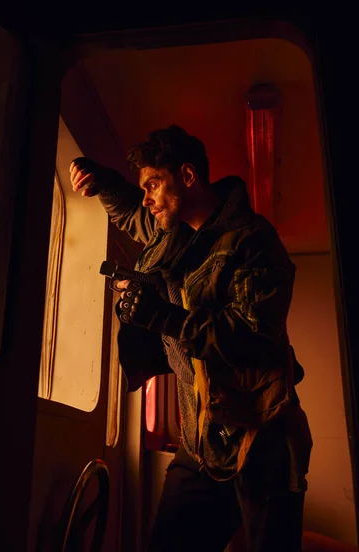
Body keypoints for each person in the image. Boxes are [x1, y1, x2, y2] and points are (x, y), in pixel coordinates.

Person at [69, 125, 312, 552]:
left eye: (154, 184)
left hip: (265, 444)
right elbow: (131, 212)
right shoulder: (173, 238)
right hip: (202, 443)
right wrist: (103, 181)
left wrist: (160, 316)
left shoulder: (253, 241)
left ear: (187, 176)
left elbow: (249, 339)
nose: (146, 198)